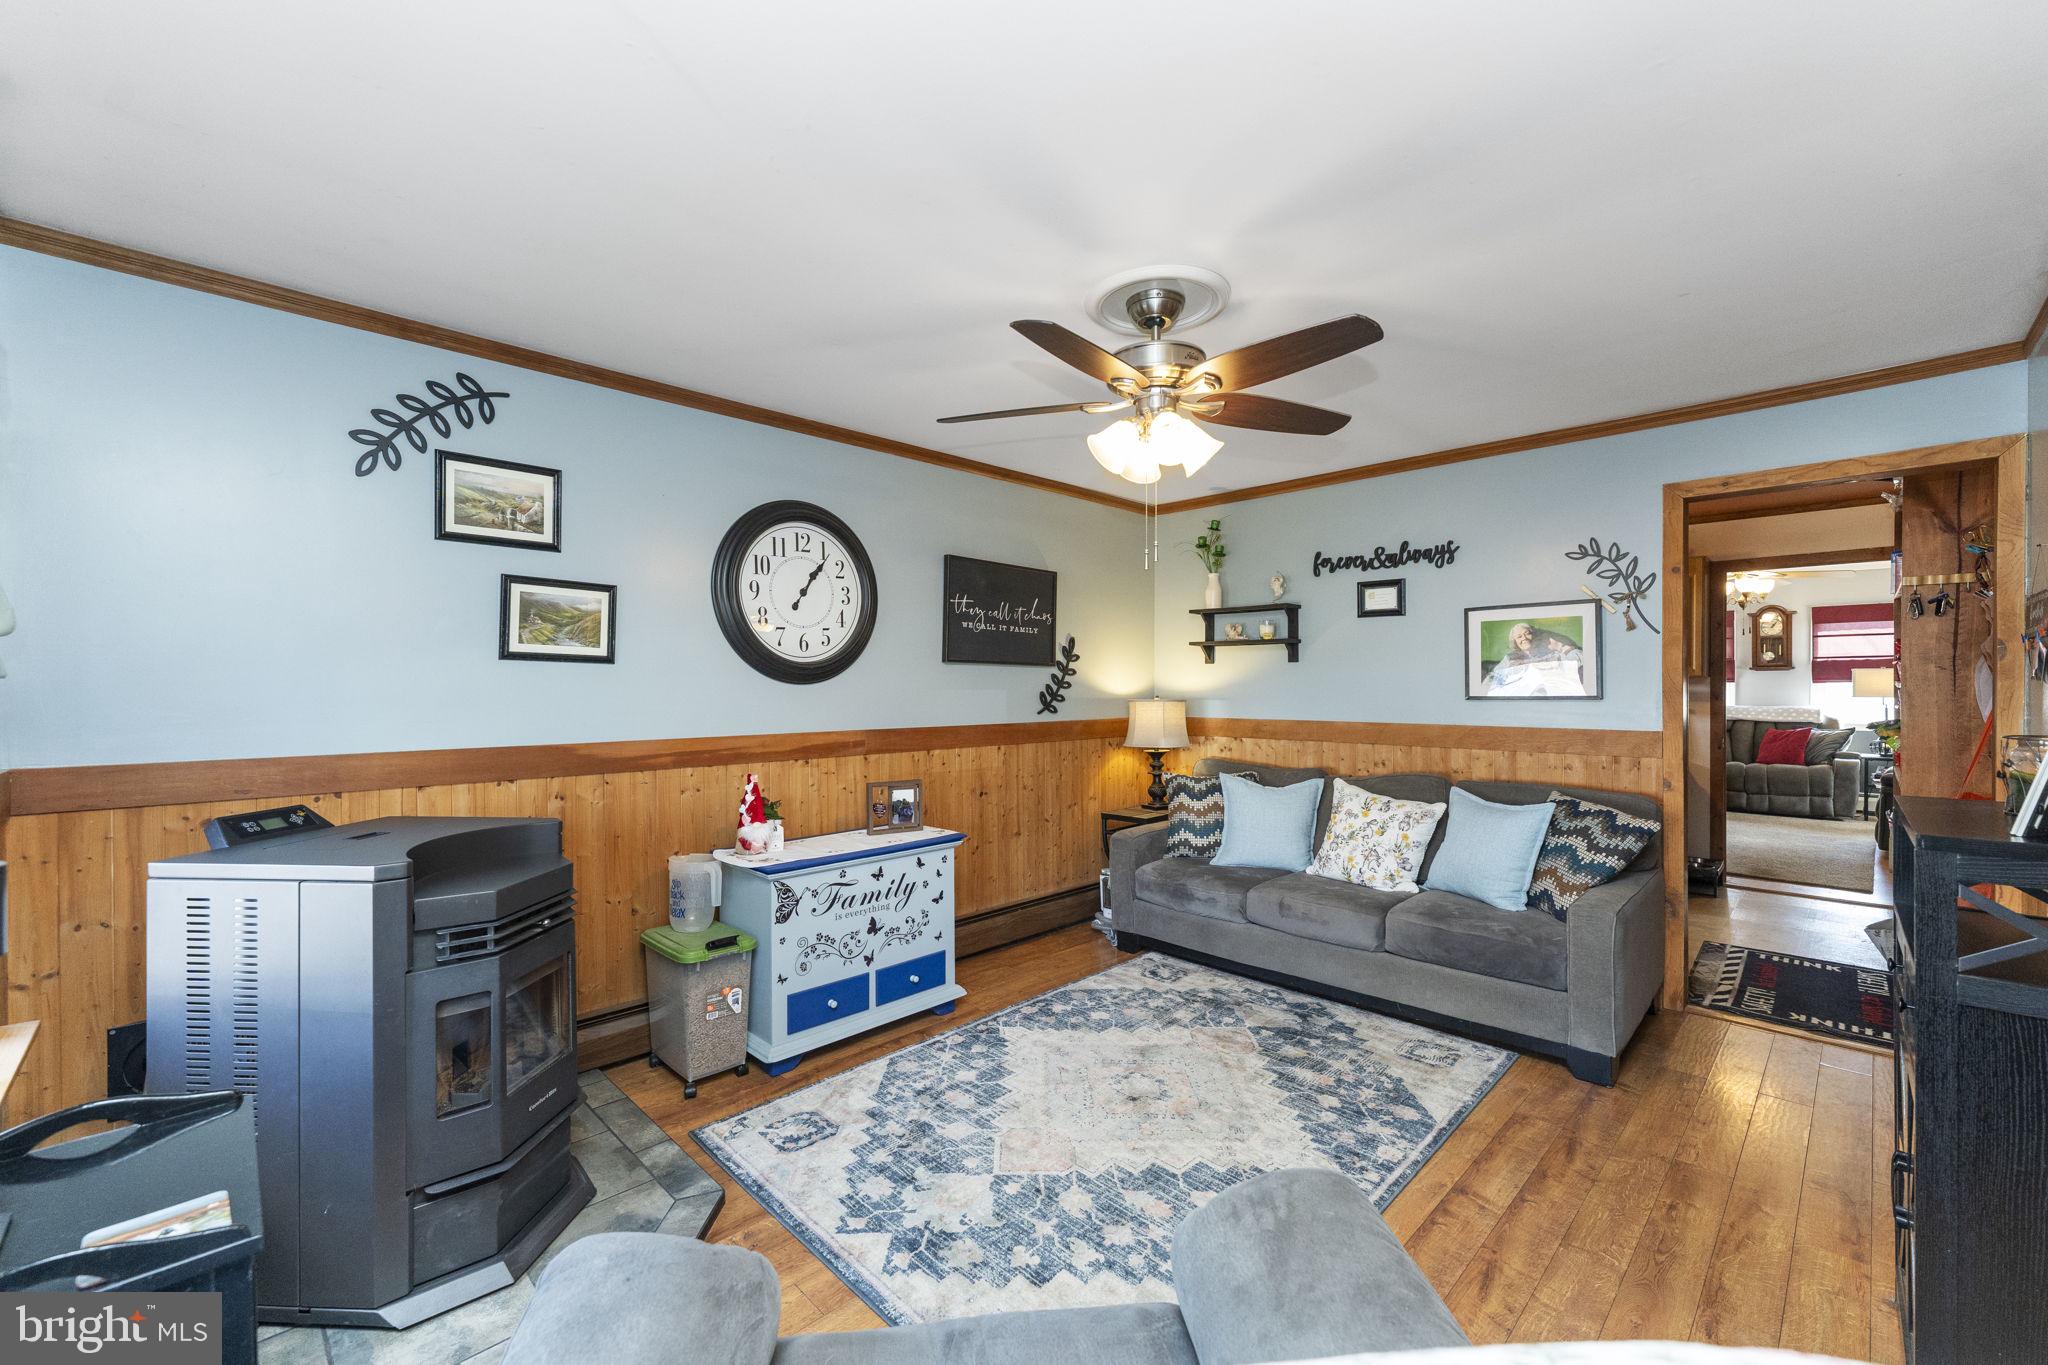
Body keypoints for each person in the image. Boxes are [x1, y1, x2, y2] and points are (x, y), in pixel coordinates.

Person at [1486, 622, 1586, 696]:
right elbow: (1493, 679)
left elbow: (1581, 660)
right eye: (1519, 637)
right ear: (1515, 642)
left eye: (1527, 633)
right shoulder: (1510, 658)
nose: (1524, 638)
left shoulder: (1552, 653)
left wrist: (1560, 646)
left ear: (1534, 635)